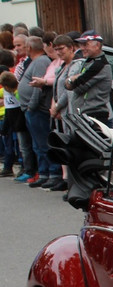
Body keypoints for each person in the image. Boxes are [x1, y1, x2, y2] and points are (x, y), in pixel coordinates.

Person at [19, 35, 53, 187]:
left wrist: (31, 106)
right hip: (30, 110)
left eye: (25, 46)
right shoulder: (35, 61)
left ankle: (52, 172)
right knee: (37, 144)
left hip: (37, 110)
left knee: (43, 143)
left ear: (30, 48)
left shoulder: (40, 61)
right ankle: (44, 172)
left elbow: (37, 87)